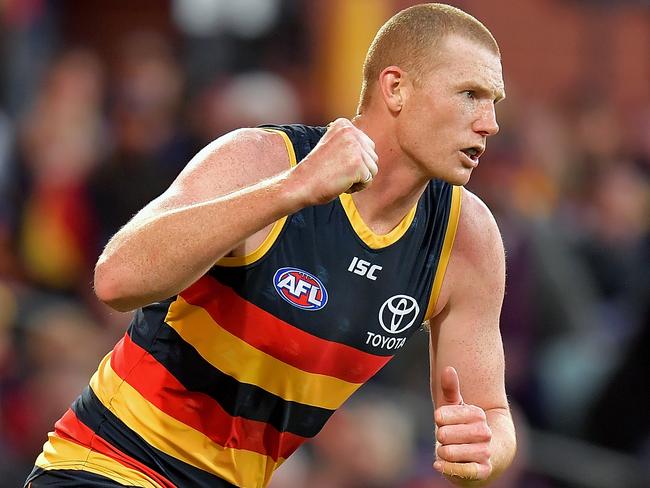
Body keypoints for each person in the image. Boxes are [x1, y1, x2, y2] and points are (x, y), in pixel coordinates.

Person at [25, 3, 516, 487]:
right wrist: (289, 192)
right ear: (396, 88)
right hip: (111, 462)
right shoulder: (264, 159)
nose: (489, 123)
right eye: (470, 94)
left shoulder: (466, 238)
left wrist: (483, 450)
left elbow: (491, 415)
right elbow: (116, 279)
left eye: (493, 100)